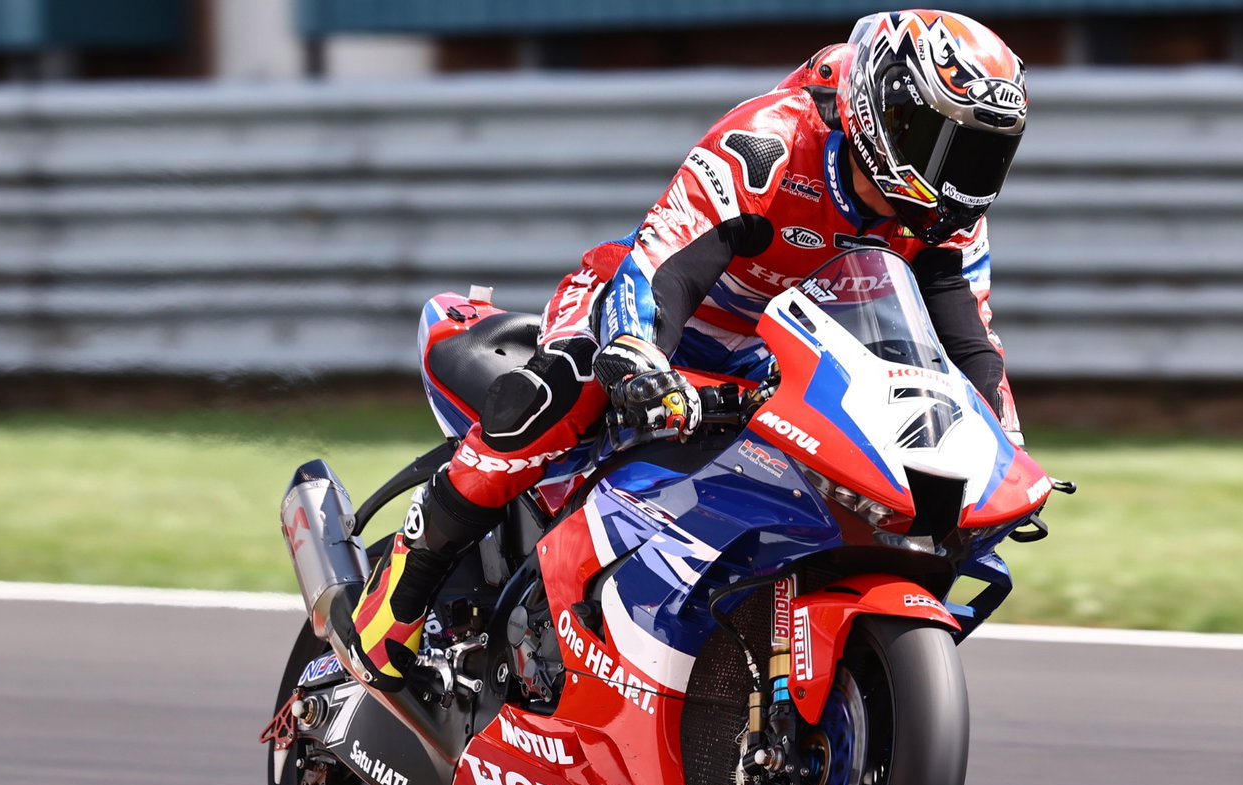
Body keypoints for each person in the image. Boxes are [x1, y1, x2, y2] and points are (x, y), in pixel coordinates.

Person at [341, 9, 1029, 691]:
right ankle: (407, 580)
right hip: (646, 321)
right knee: (563, 391)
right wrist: (639, 353)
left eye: (981, 157)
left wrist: (1003, 451)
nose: (962, 178)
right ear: (887, 113)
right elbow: (664, 265)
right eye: (945, 144)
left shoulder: (947, 220)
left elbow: (970, 345)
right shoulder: (771, 142)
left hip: (775, 364)